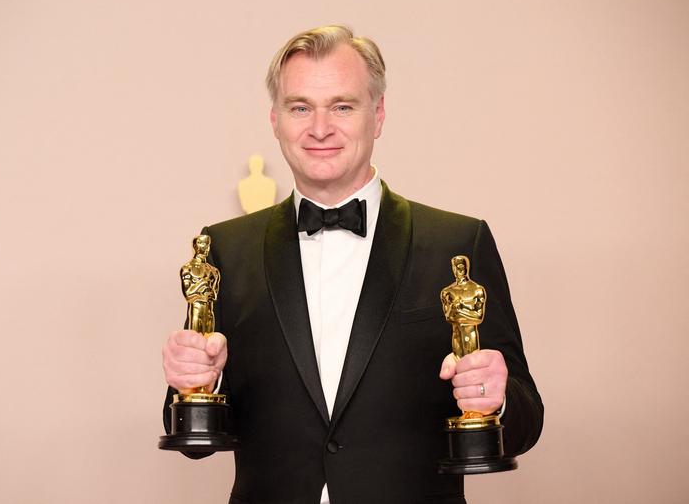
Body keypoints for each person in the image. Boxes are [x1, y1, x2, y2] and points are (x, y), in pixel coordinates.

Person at [161, 25, 543, 504]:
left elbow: (527, 420)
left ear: (377, 115)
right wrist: (201, 380)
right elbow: (194, 442)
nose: (320, 128)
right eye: (300, 107)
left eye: (342, 106)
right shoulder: (224, 248)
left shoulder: (457, 244)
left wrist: (498, 400)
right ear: (275, 119)